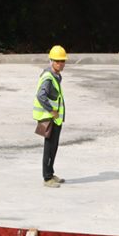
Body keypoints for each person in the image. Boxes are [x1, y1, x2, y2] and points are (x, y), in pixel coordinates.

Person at [33, 45, 68, 188]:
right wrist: (52, 110)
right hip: (49, 118)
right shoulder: (48, 77)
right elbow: (41, 96)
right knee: (49, 147)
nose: (60, 64)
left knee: (54, 147)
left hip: (55, 119)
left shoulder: (56, 76)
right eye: (57, 61)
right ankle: (47, 178)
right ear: (51, 61)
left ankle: (51, 173)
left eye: (62, 61)